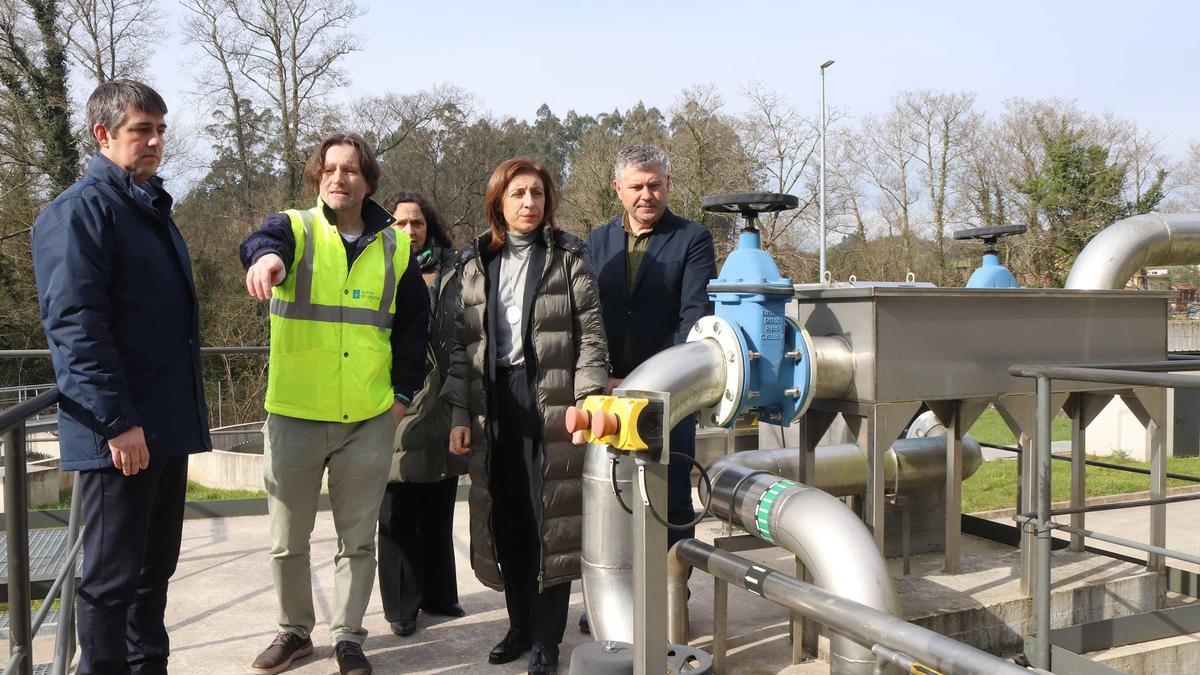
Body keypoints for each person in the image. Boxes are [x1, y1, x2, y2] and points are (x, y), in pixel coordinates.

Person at [30, 80, 211, 675]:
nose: (156, 140)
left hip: (162, 426)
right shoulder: (80, 212)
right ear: (102, 134)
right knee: (109, 583)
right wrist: (118, 422)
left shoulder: (148, 207)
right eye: (142, 130)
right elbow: (76, 327)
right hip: (121, 436)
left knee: (153, 573)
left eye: (161, 129)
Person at [240, 134, 428, 675]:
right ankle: (294, 631)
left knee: (357, 540)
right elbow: (262, 241)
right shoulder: (295, 228)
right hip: (296, 414)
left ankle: (348, 636)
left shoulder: (396, 247)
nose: (338, 178)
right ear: (317, 176)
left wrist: (400, 397)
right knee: (286, 541)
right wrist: (266, 258)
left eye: (350, 170)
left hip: (367, 420)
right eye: (330, 168)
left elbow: (415, 327)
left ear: (368, 181)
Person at [443, 157, 609, 675]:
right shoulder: (474, 262)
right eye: (518, 194)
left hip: (552, 397)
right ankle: (517, 626)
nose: (529, 203)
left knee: (549, 521)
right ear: (499, 200)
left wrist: (586, 398)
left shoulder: (568, 257)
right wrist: (459, 413)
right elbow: (459, 347)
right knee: (507, 516)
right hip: (494, 399)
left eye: (537, 193)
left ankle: (547, 640)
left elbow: (590, 335)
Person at [586, 144, 717, 547]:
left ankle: (673, 598)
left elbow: (693, 318)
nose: (647, 195)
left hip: (669, 394)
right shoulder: (595, 241)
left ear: (668, 184)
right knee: (610, 496)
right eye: (637, 186)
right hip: (609, 390)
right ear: (618, 189)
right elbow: (587, 314)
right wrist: (601, 375)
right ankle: (614, 600)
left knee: (669, 495)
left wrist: (653, 381)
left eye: (655, 185)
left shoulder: (692, 239)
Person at [376, 190, 468, 638]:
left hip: (445, 402)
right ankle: (401, 606)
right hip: (397, 400)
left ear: (429, 226)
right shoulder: (377, 268)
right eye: (399, 223)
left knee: (438, 504)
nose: (409, 231)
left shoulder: (455, 270)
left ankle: (438, 594)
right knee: (397, 507)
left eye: (417, 223)